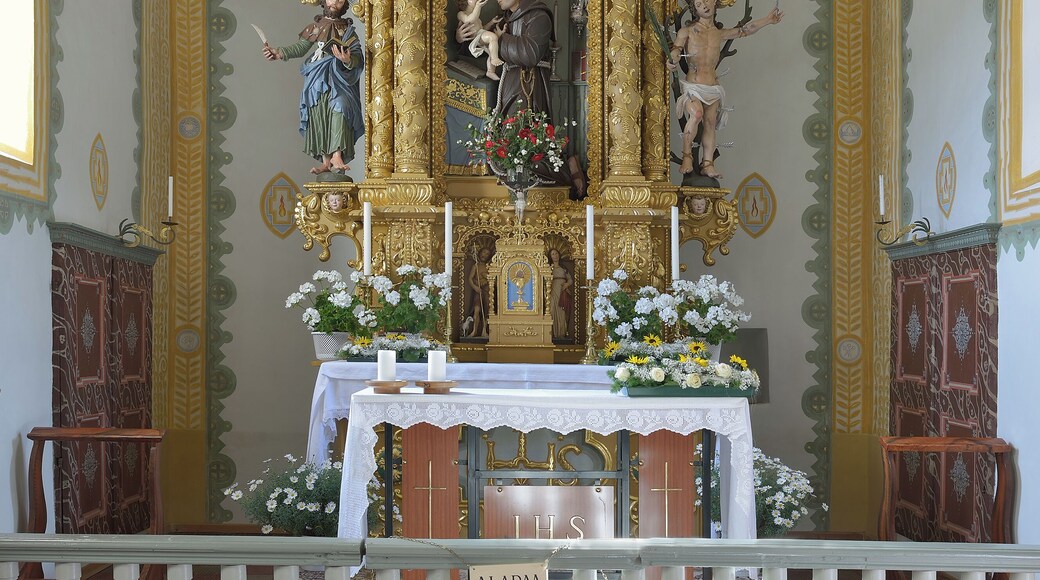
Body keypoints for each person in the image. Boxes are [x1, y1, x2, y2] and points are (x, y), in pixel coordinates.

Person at [456, 0, 587, 197]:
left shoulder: (539, 16)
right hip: (512, 81)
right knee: (509, 146)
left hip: (528, 86)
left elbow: (530, 54)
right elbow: (483, 44)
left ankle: (566, 168)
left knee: (525, 144)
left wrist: (502, 39)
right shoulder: (507, 17)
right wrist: (461, 40)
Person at [668, 0, 782, 178]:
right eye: (699, 4)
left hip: (712, 87)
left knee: (710, 123)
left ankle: (707, 163)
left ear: (714, 3)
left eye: (706, 1)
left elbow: (745, 30)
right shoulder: (687, 31)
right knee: (696, 114)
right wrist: (672, 59)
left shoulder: (718, 33)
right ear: (695, 9)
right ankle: (687, 157)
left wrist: (767, 20)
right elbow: (676, 49)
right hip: (694, 86)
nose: (704, 6)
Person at [263, 0, 365, 176]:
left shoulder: (348, 31)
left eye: (340, 0)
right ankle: (326, 161)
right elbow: (301, 47)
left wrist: (347, 59)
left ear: (345, 4)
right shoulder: (315, 27)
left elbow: (357, 58)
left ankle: (337, 154)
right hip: (317, 76)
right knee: (319, 112)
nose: (335, 3)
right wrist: (278, 53)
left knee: (340, 107)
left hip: (340, 77)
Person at [458, 0, 505, 80]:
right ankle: (494, 59)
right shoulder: (462, 13)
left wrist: (491, 23)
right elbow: (468, 20)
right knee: (493, 37)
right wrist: (478, 7)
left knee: (492, 51)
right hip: (475, 38)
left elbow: (482, 29)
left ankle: (490, 71)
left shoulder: (477, 17)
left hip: (480, 34)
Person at [466, 246, 493, 338]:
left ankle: (484, 331)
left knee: (486, 310)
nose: (484, 255)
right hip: (478, 290)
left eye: (487, 254)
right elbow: (470, 278)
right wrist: (475, 287)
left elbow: (493, 279)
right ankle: (474, 330)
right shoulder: (476, 266)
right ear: (480, 253)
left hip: (487, 290)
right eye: (484, 252)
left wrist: (486, 276)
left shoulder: (489, 267)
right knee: (476, 310)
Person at [548, 248, 572, 340]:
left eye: (556, 253)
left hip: (562, 292)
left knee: (562, 311)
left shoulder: (563, 268)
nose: (555, 255)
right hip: (552, 291)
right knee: (552, 310)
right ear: (550, 257)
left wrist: (567, 284)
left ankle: (561, 334)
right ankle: (552, 334)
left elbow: (570, 280)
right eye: (553, 254)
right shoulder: (549, 268)